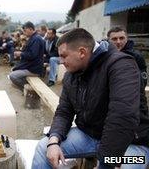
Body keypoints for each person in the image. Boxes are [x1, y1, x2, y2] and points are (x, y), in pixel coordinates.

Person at [32, 28, 149, 169]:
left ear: (82, 52)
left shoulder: (121, 65)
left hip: (132, 143)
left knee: (128, 166)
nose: (60, 62)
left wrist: (107, 160)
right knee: (44, 148)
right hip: (91, 135)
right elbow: (64, 111)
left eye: (64, 56)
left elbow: (123, 115)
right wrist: (53, 140)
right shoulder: (71, 75)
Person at [9, 21, 45, 91]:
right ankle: (27, 88)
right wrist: (21, 53)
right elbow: (29, 52)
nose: (24, 32)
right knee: (13, 69)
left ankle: (27, 89)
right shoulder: (33, 38)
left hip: (33, 68)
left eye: (25, 30)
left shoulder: (36, 39)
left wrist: (20, 54)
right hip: (30, 65)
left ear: (31, 29)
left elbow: (32, 55)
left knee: (12, 76)